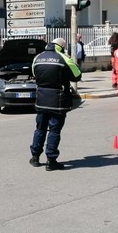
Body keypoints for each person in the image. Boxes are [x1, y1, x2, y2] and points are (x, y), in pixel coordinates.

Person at [29, 37, 82, 171]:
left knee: (40, 128)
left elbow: (34, 74)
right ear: (62, 47)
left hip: (41, 99)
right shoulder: (63, 57)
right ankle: (51, 160)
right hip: (58, 101)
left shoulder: (38, 57)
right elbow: (77, 75)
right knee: (54, 130)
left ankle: (35, 157)